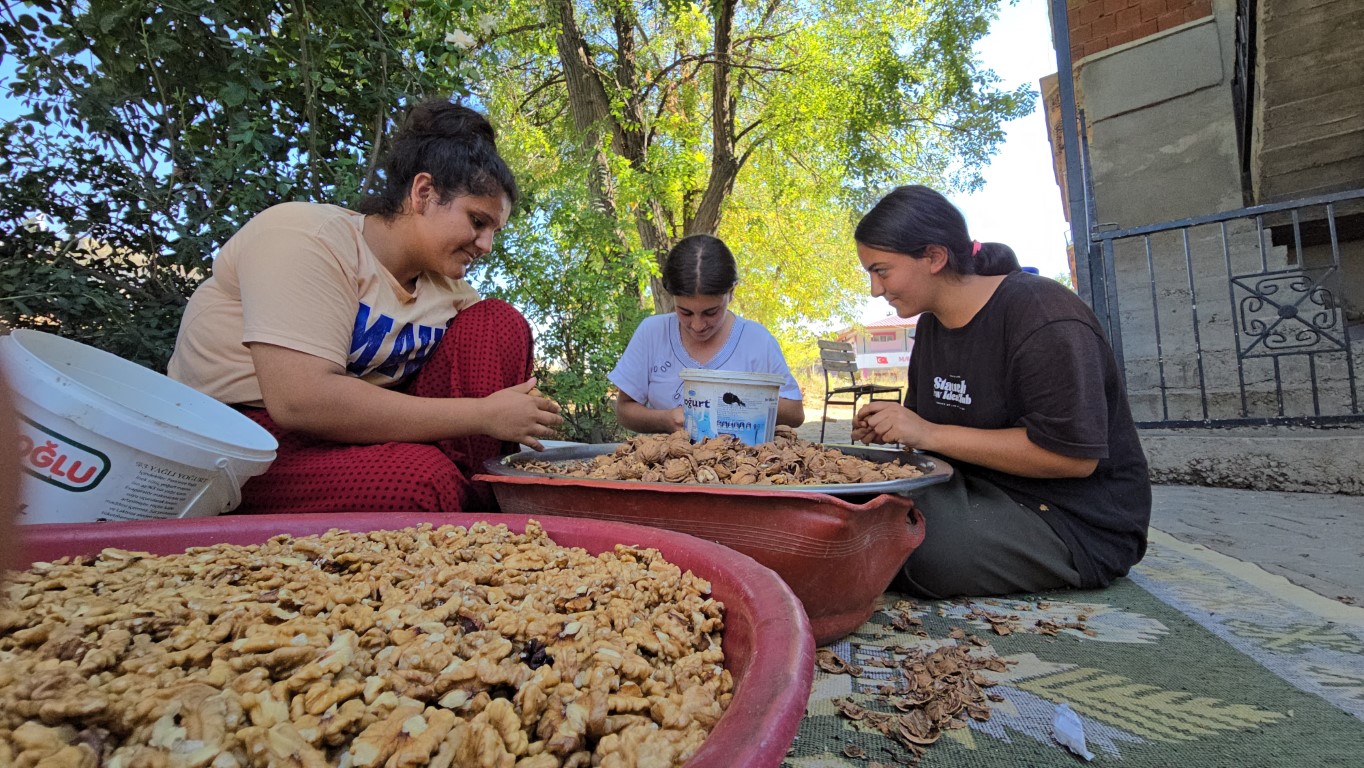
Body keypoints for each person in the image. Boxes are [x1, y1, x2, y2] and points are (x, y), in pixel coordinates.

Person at [167, 99, 562, 515]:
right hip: (245, 439)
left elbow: (484, 378)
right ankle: (456, 510)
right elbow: (299, 401)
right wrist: (482, 414)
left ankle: (485, 506)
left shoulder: (448, 289)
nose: (486, 246)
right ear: (423, 193)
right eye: (477, 221)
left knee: (498, 322)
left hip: (365, 440)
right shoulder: (307, 239)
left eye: (494, 232)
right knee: (420, 482)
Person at [850, 185, 1150, 598]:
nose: (875, 289)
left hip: (1070, 518)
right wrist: (893, 427)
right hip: (972, 491)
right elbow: (924, 435)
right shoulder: (931, 325)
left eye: (881, 270)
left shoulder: (1042, 313)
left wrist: (926, 432)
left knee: (925, 554)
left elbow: (1072, 458)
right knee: (843, 499)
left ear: (935, 257)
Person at [608, 235, 805, 434]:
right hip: (669, 462)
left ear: (731, 293)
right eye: (685, 312)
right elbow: (625, 409)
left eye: (711, 312)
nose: (697, 325)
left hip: (742, 461)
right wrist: (666, 420)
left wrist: (734, 406)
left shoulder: (757, 341)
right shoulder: (652, 333)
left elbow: (795, 414)